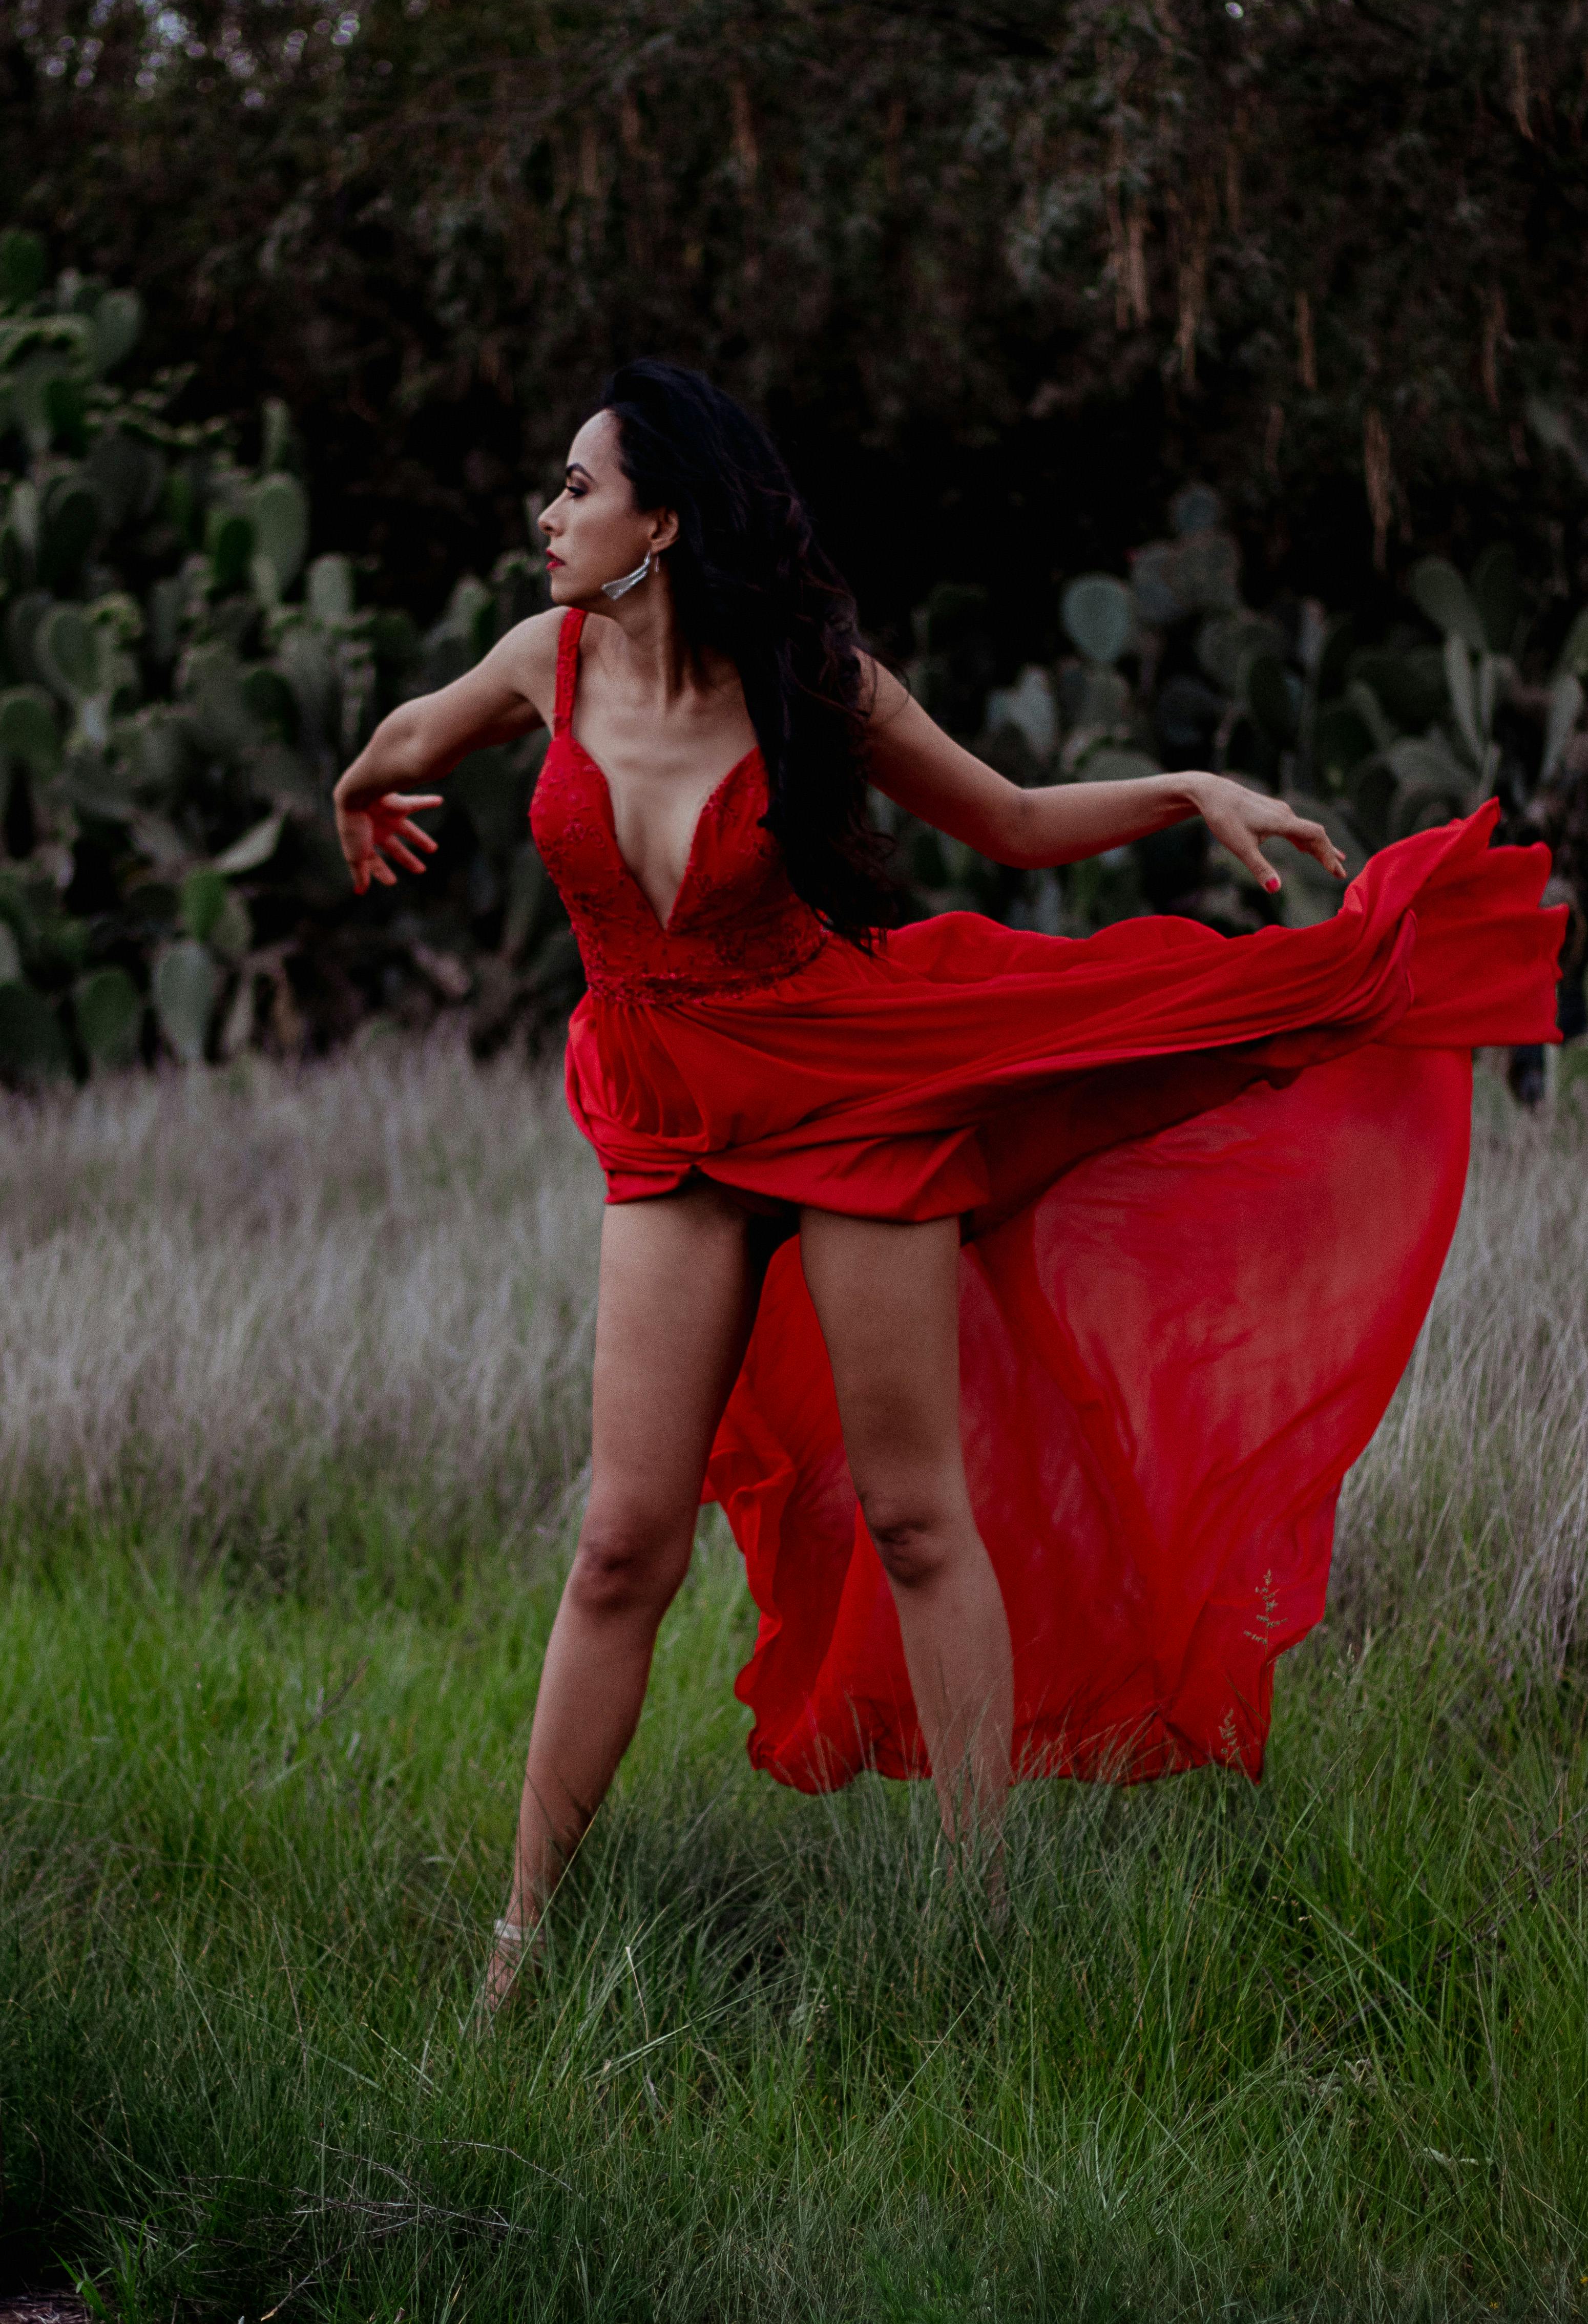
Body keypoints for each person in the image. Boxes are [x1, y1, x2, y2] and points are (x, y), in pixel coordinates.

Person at [333, 361, 1562, 2006]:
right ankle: (519, 1946)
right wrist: (359, 793)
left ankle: (967, 1934)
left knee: (917, 1515)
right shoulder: (539, 663)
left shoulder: (812, 678)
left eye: (575, 489)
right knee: (622, 1542)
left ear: (663, 522)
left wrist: (1183, 788)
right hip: (668, 1115)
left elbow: (1009, 821)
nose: (546, 517)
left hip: (852, 1094)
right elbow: (407, 738)